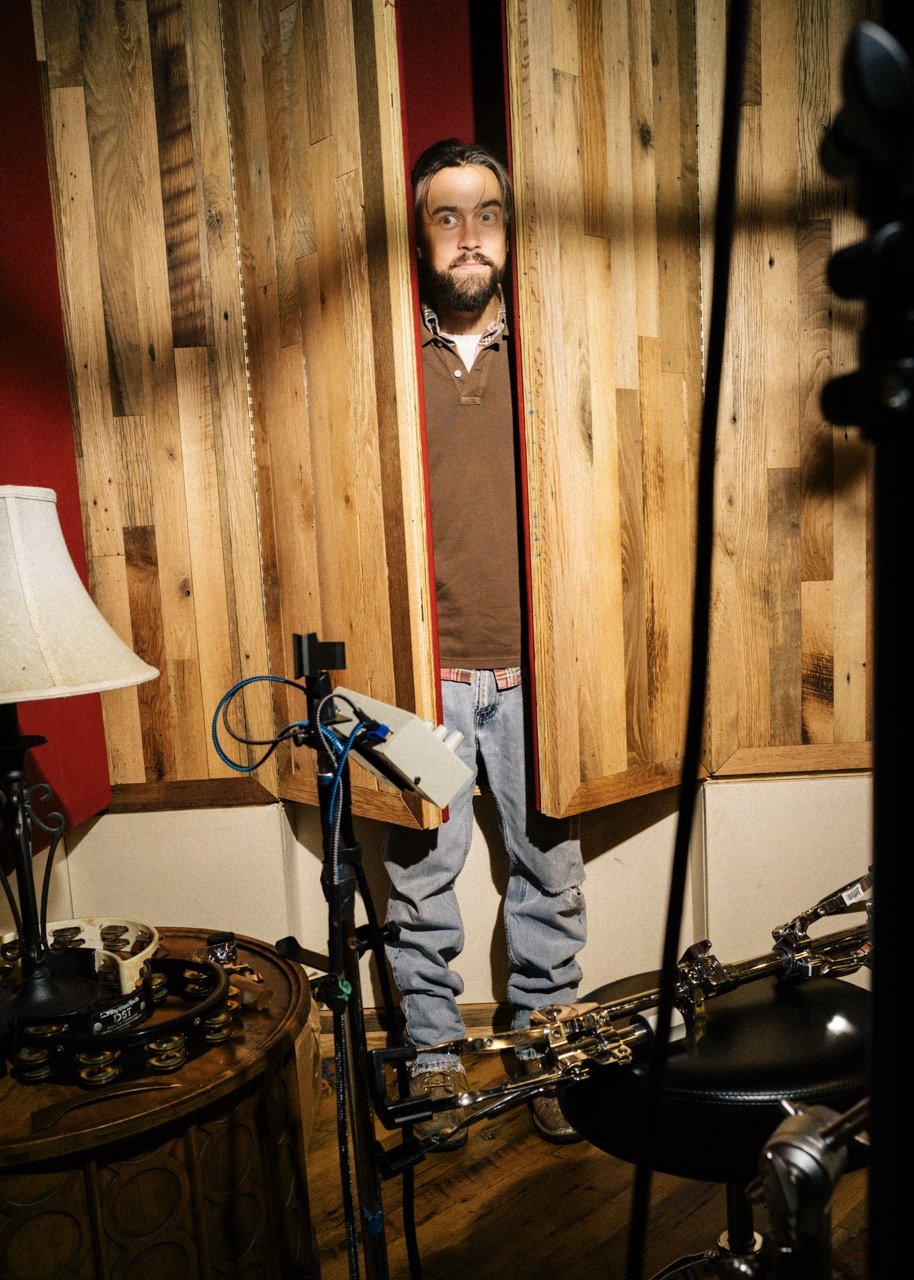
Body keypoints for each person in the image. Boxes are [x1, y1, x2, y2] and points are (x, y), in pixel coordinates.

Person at [383, 138, 587, 1150]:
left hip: (541, 673)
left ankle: (546, 1041)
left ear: (509, 232)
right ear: (421, 236)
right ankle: (430, 1051)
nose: (470, 236)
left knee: (548, 868)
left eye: (487, 214)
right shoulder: (387, 360)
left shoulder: (552, 352)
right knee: (421, 877)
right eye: (446, 216)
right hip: (428, 675)